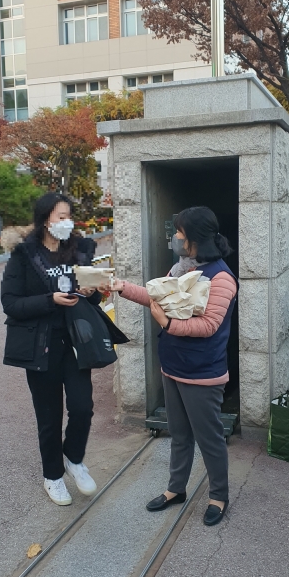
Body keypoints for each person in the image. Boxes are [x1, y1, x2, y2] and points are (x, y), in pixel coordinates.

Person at [111, 207, 237, 527]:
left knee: (209, 439)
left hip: (203, 372)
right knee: (179, 435)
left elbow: (208, 326)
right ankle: (175, 489)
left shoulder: (221, 278)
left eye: (179, 233)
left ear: (194, 238)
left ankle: (218, 496)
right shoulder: (179, 269)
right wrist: (119, 286)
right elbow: (156, 297)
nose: (174, 238)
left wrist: (166, 324)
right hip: (173, 365)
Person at [1, 192, 105, 507]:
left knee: (83, 407)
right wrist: (50, 300)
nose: (67, 222)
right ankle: (53, 476)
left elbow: (93, 299)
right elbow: (11, 303)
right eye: (61, 216)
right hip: (40, 345)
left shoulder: (78, 251)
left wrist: (91, 292)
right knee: (49, 417)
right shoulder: (24, 254)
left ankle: (73, 458)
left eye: (69, 216)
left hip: (75, 342)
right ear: (46, 218)